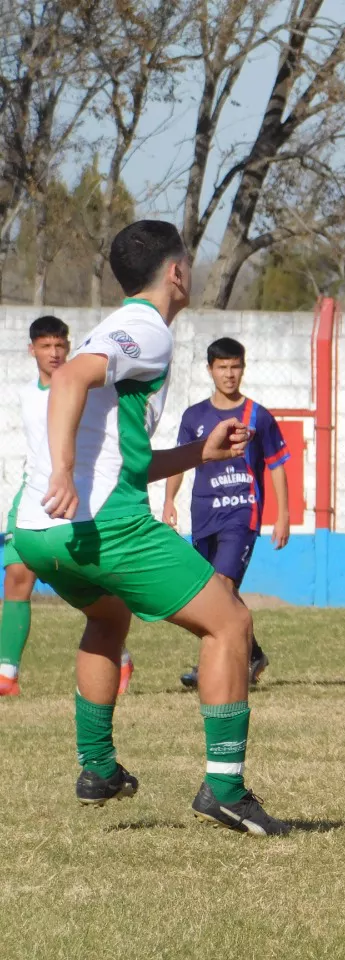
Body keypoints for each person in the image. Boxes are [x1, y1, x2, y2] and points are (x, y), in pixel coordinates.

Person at [11, 220, 289, 835]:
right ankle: (224, 787)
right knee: (231, 622)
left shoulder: (115, 329)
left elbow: (123, 456)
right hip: (102, 522)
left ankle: (99, 769)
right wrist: (63, 470)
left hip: (38, 531)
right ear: (176, 273)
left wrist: (199, 454)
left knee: (108, 616)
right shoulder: (145, 330)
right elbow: (70, 377)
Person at [0, 319, 145, 695]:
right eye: (46, 346)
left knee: (79, 581)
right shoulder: (25, 395)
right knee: (17, 575)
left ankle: (120, 653)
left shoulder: (86, 390)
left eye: (60, 344)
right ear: (31, 349)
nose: (54, 353)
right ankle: (7, 673)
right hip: (32, 496)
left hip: (78, 500)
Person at [164, 338, 291, 690]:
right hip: (204, 513)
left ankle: (213, 667)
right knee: (208, 592)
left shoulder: (257, 416)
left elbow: (277, 464)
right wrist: (168, 500)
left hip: (242, 514)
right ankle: (251, 654)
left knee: (221, 586)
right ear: (210, 370)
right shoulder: (194, 417)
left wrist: (283, 514)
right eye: (222, 367)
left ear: (243, 369)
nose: (229, 374)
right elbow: (180, 461)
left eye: (235, 366)